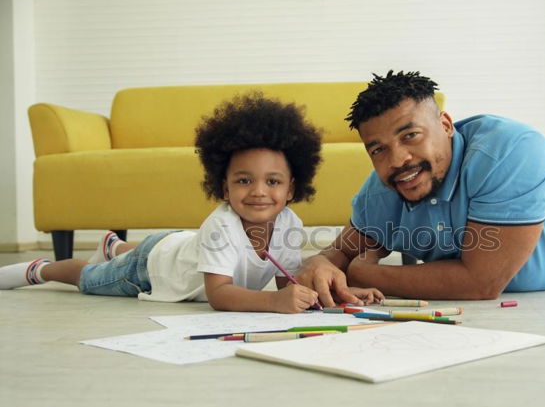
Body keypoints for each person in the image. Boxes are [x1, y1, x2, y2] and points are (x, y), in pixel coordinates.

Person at [295, 70, 545, 307]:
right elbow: (344, 252)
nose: (397, 159)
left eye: (411, 135)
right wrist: (321, 263)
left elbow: (481, 283)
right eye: (378, 149)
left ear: (446, 126)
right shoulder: (382, 189)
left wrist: (368, 272)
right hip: (527, 194)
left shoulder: (513, 151)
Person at [0, 93, 383, 312]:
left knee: (169, 246)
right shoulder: (221, 225)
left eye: (273, 181)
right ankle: (45, 269)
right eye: (243, 180)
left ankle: (115, 245)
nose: (259, 192)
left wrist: (339, 295)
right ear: (224, 186)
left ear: (291, 188)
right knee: (89, 278)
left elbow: (286, 280)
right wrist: (274, 303)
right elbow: (219, 295)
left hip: (179, 243)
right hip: (150, 269)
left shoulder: (290, 225)